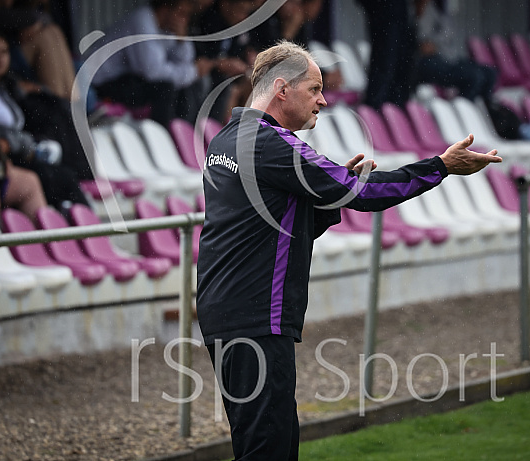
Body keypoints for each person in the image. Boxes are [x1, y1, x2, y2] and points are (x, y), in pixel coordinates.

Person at [196, 40, 501, 460]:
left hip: (229, 314)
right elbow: (366, 193)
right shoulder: (270, 145)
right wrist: (440, 167)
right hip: (256, 317)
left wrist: (330, 197)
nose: (323, 99)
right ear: (282, 89)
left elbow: (275, 223)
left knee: (271, 442)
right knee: (267, 447)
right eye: (314, 88)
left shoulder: (226, 140)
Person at [0, 29, 89, 212]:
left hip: (18, 150)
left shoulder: (7, 86)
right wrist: (6, 146)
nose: (0, 58)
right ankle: (75, 225)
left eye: (4, 52)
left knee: (59, 123)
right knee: (55, 176)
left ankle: (81, 225)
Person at [92, 0, 213, 126]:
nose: (184, 21)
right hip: (101, 83)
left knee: (187, 85)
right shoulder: (142, 20)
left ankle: (186, 134)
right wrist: (193, 72)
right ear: (165, 8)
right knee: (164, 89)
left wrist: (182, 40)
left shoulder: (165, 29)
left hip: (127, 80)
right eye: (181, 14)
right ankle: (164, 136)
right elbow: (153, 72)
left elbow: (184, 64)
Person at [415, 0, 498, 101]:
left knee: (490, 73)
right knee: (474, 77)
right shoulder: (421, 9)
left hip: (447, 59)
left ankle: (484, 109)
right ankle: (460, 109)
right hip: (429, 61)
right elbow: (424, 47)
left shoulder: (441, 9)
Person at [356, 0, 418, 109]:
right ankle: (376, 113)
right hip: (387, 8)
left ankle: (394, 110)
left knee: (399, 64)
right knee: (386, 62)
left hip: (394, 10)